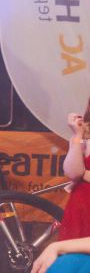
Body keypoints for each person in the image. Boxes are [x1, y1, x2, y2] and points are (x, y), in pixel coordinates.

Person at [59, 99, 90, 241]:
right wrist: (77, 136)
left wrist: (83, 174)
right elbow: (72, 172)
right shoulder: (85, 134)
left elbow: (79, 173)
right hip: (82, 204)